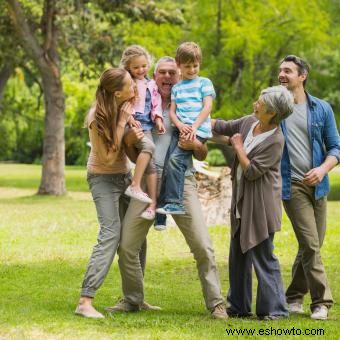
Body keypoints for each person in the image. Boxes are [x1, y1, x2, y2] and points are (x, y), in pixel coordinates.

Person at [105, 57, 228, 319]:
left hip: (182, 183)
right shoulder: (140, 105)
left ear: (180, 75)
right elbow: (128, 152)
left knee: (202, 246)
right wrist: (129, 138)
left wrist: (195, 146)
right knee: (127, 246)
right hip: (148, 184)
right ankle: (133, 299)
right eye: (163, 72)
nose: (168, 76)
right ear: (155, 75)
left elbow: (204, 153)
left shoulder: (189, 107)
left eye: (173, 72)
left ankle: (216, 303)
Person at [212, 85, 294, 320]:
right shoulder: (250, 122)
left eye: (261, 103)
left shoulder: (276, 140)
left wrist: (237, 147)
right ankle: (238, 306)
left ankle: (275, 310)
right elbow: (223, 126)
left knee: (262, 255)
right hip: (241, 201)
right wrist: (194, 117)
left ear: (273, 113)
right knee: (238, 253)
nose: (255, 104)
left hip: (261, 205)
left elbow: (252, 171)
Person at [75, 68, 147, 319]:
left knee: (135, 234)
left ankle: (135, 298)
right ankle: (85, 301)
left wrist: (131, 130)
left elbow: (127, 145)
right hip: (102, 179)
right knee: (110, 234)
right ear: (117, 93)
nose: (135, 88)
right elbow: (105, 159)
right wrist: (120, 122)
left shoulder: (125, 107)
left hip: (124, 177)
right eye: (130, 85)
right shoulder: (97, 116)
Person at [278, 55, 340, 320]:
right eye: (280, 70)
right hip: (292, 185)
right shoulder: (275, 107)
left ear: (302, 76)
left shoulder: (321, 108)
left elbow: (336, 147)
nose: (282, 74)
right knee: (311, 245)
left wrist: (322, 169)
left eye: (288, 71)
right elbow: (250, 126)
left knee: (310, 245)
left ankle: (292, 297)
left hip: (319, 186)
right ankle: (321, 302)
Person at [156, 42, 215, 215]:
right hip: (182, 130)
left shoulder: (204, 83)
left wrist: (194, 128)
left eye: (195, 66)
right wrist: (181, 126)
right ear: (178, 64)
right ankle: (161, 214)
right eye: (187, 66)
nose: (192, 70)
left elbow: (207, 107)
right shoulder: (177, 88)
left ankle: (175, 203)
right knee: (169, 161)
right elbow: (173, 113)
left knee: (175, 161)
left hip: (198, 131)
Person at [120, 45, 166, 223]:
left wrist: (159, 119)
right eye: (136, 67)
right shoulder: (125, 82)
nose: (141, 70)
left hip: (146, 125)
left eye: (144, 66)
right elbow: (122, 102)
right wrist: (129, 118)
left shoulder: (151, 84)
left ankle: (152, 206)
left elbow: (156, 104)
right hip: (130, 123)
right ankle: (135, 185)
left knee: (152, 166)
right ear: (128, 68)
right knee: (149, 146)